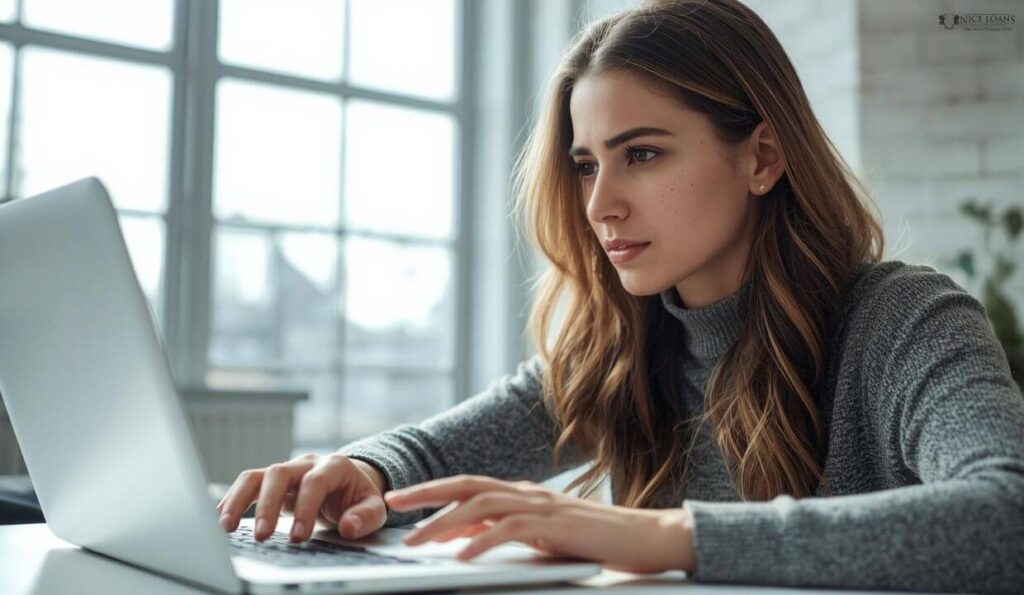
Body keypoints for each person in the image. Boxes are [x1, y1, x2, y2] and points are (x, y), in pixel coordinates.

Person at [216, 0, 1024, 592]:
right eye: (586, 165)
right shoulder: (625, 343)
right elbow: (425, 458)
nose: (600, 204)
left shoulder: (904, 320)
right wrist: (361, 470)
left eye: (641, 154)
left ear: (762, 158)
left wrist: (658, 534)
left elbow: (1007, 515)